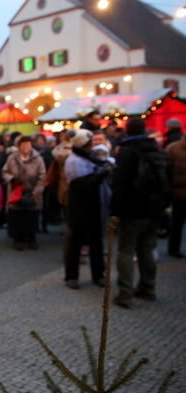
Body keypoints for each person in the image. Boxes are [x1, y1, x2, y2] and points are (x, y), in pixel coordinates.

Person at [111, 118, 171, 308]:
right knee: (146, 247)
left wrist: (115, 211)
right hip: (154, 208)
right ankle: (148, 288)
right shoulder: (156, 150)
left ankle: (125, 293)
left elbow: (119, 184)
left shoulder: (127, 152)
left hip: (132, 209)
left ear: (127, 130)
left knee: (126, 249)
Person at [62, 130, 110, 289]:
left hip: (93, 205)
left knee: (96, 242)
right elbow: (81, 185)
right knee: (75, 242)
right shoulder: (73, 161)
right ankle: (71, 276)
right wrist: (100, 175)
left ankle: (98, 274)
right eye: (89, 143)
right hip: (79, 207)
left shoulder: (89, 157)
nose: (92, 146)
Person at [3, 136, 46, 250]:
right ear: (19, 146)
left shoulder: (38, 158)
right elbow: (5, 172)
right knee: (17, 216)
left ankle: (31, 239)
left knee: (32, 216)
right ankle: (18, 239)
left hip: (33, 190)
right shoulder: (12, 158)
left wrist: (36, 191)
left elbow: (42, 177)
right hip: (16, 191)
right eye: (23, 145)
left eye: (28, 144)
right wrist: (11, 179)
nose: (26, 147)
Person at [167, 136, 186, 258]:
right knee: (177, 223)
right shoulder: (174, 148)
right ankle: (173, 248)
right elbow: (167, 170)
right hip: (178, 193)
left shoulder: (173, 147)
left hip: (178, 191)